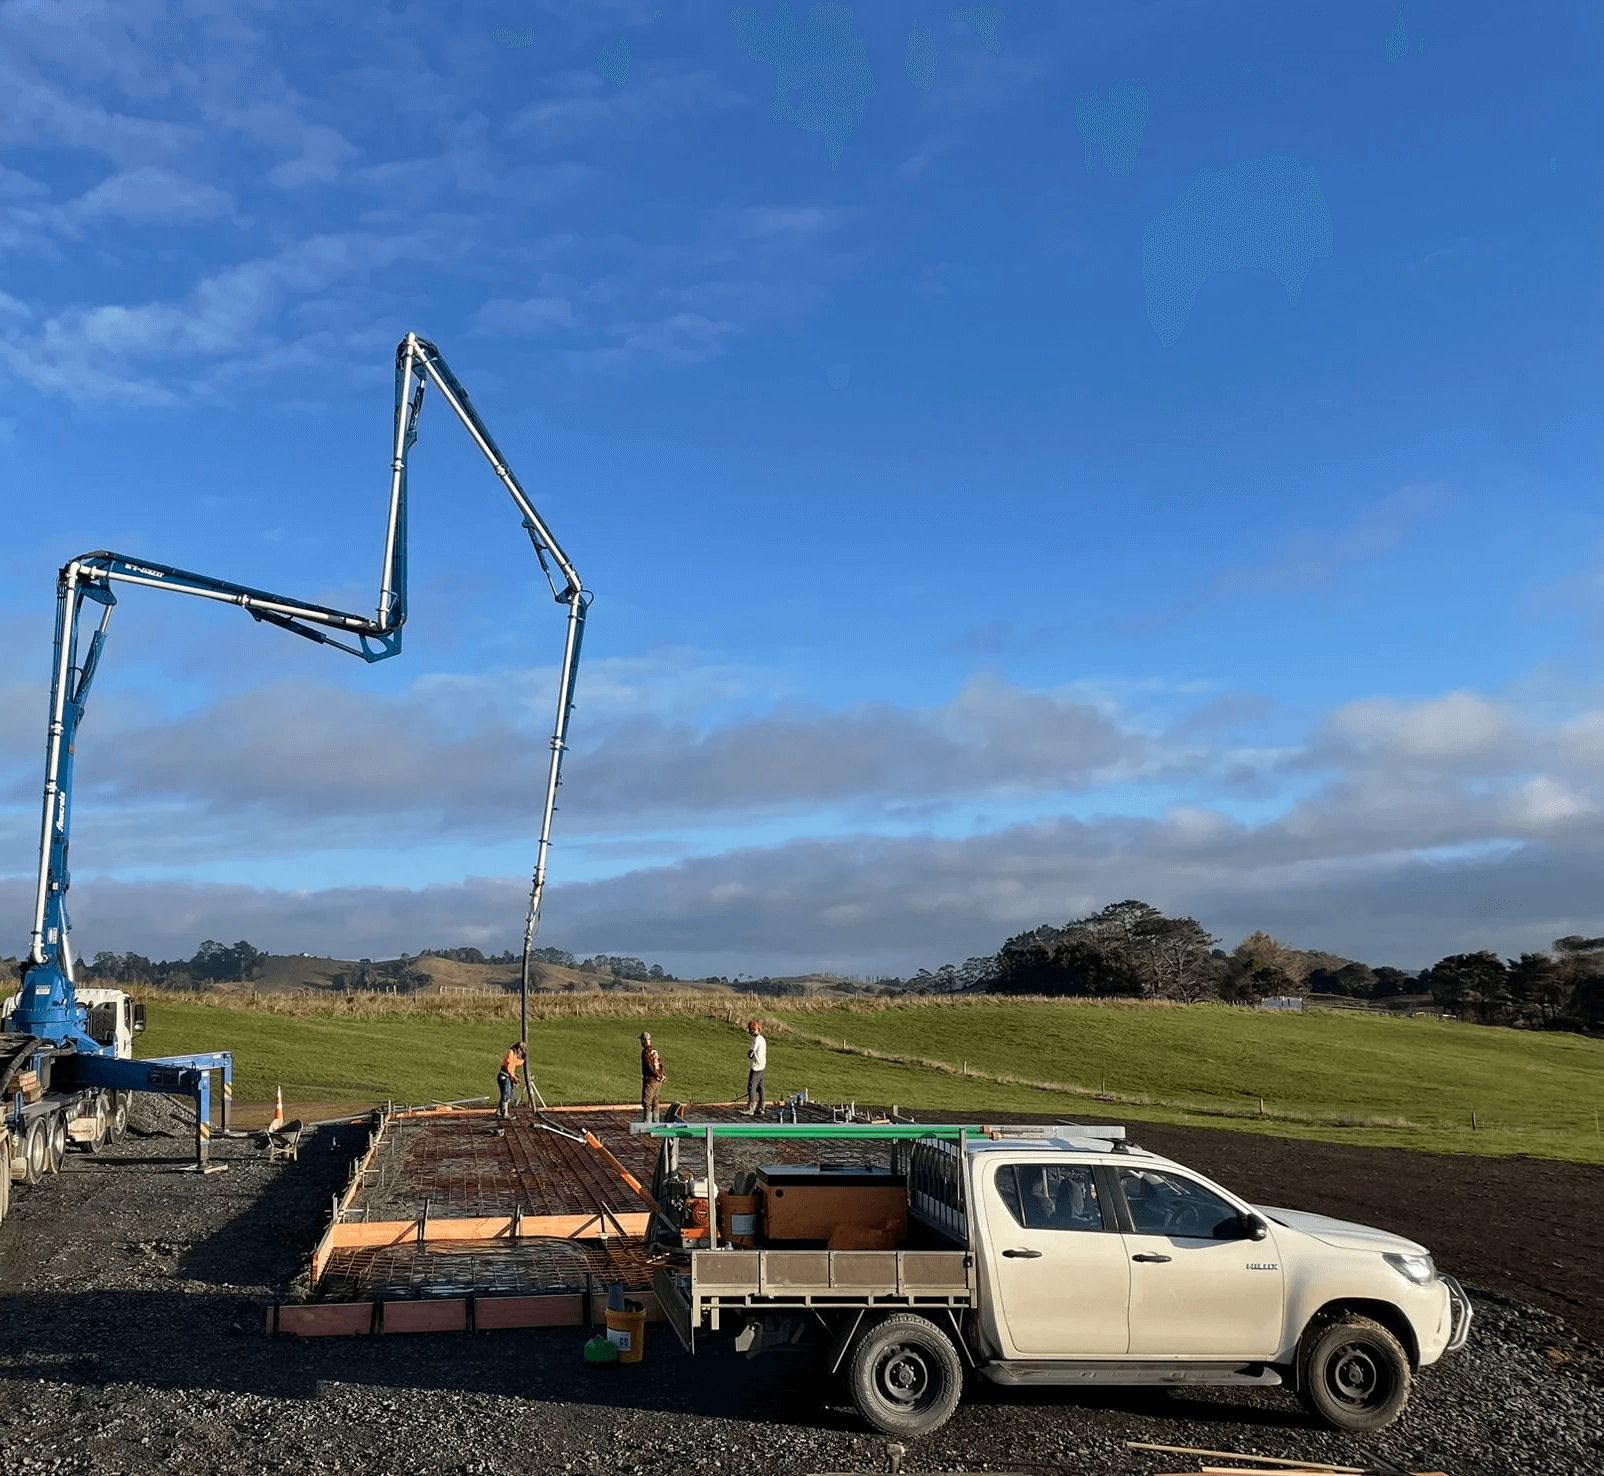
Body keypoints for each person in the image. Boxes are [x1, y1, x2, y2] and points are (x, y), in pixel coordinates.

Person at [497, 1040, 527, 1121]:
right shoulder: (510, 1053)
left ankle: (499, 1112)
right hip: (504, 1076)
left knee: (505, 1094)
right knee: (506, 1094)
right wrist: (513, 1076)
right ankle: (504, 1114)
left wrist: (523, 1060)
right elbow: (508, 1067)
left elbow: (516, 1062)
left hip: (505, 1076)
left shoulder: (513, 1054)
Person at [639, 1031, 665, 1122]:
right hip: (658, 1080)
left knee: (647, 1102)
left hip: (651, 1080)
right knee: (655, 1102)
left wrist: (656, 1075)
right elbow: (660, 1063)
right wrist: (662, 1075)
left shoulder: (646, 1052)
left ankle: (647, 1124)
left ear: (644, 1041)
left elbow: (650, 1066)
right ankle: (656, 1122)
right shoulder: (654, 1051)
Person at [742, 1018, 766, 1115]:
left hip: (756, 1067)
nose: (751, 1032)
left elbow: (751, 1053)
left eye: (752, 1030)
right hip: (762, 1066)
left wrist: (749, 1053)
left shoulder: (757, 1040)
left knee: (751, 1087)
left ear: (757, 1029)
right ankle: (761, 1107)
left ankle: (751, 1108)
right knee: (760, 1087)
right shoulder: (762, 1039)